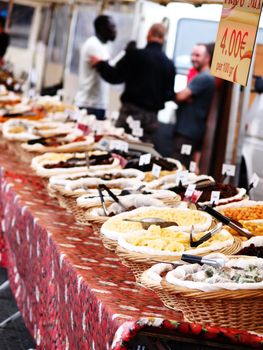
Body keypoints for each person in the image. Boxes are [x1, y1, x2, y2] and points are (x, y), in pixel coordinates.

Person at [90, 23, 176, 144]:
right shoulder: (169, 64)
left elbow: (115, 76)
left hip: (130, 114)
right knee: (143, 152)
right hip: (151, 119)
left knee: (119, 147)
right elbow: (169, 94)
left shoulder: (135, 55)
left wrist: (100, 65)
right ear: (163, 38)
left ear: (148, 35)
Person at [173, 43, 215, 169]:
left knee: (178, 166)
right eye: (192, 55)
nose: (193, 58)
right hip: (189, 130)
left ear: (207, 58)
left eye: (197, 55)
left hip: (188, 133)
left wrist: (182, 96)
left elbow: (180, 96)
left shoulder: (204, 77)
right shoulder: (202, 76)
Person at [75, 15, 116, 120]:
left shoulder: (105, 46)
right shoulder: (93, 45)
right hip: (89, 104)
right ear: (102, 28)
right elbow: (108, 71)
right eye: (112, 27)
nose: (115, 31)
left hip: (99, 104)